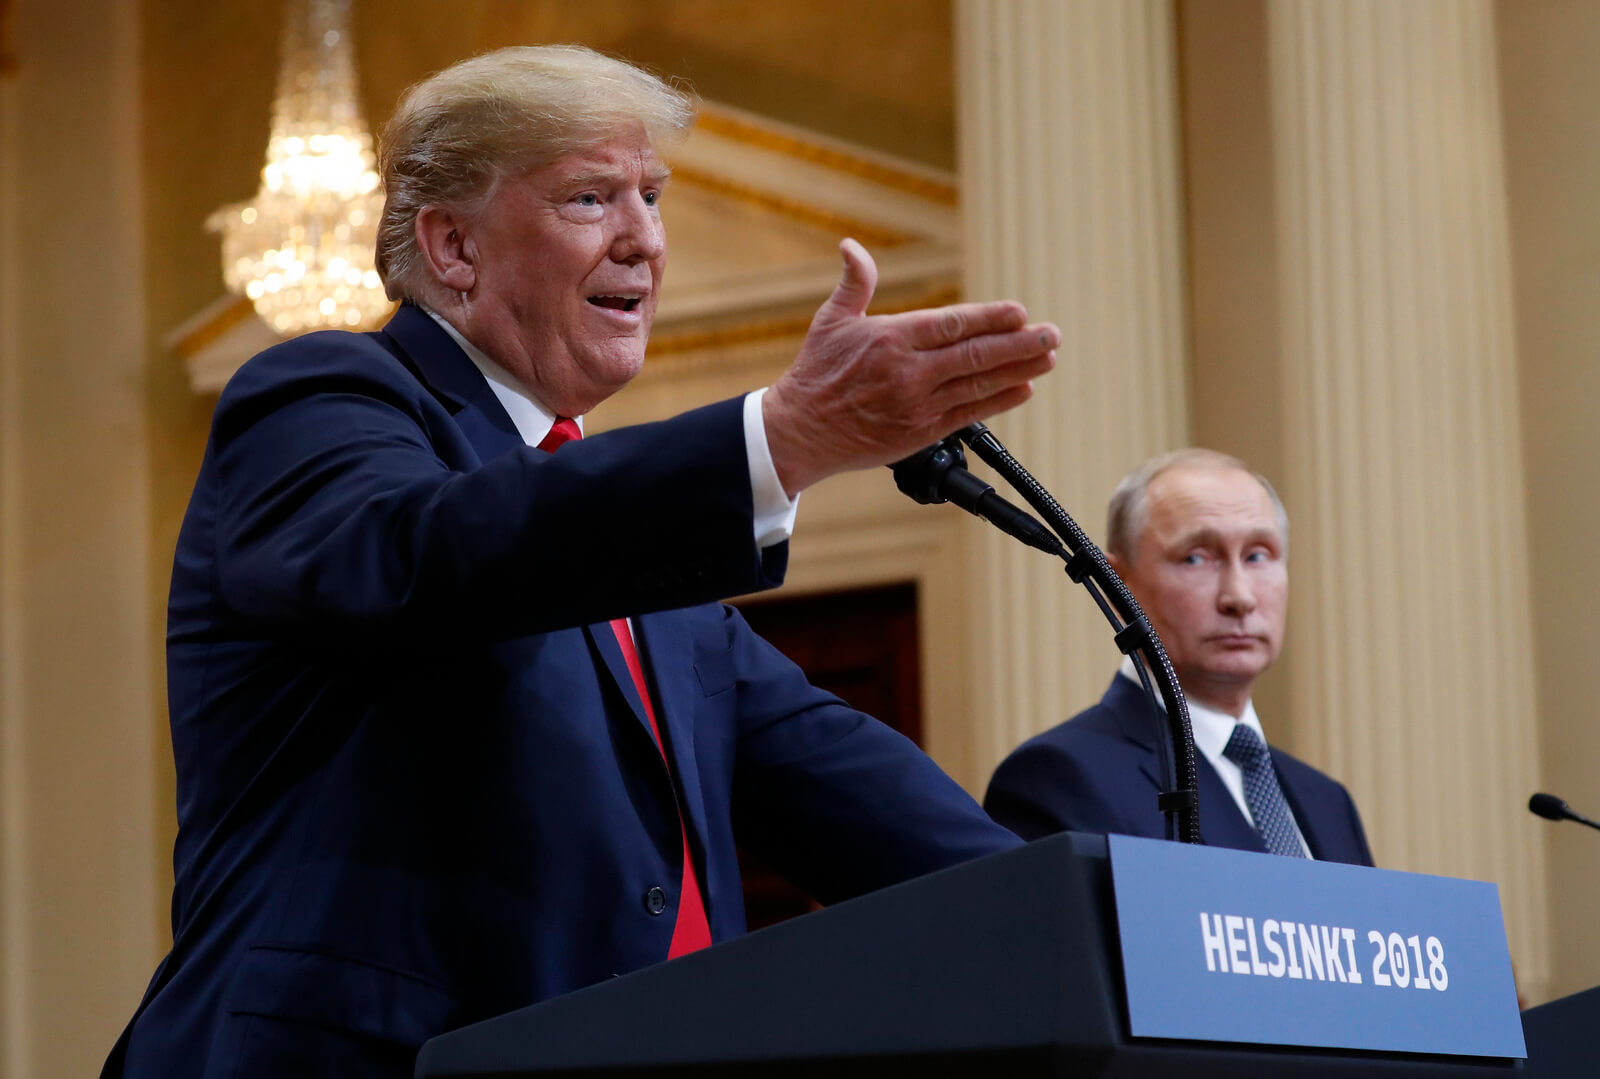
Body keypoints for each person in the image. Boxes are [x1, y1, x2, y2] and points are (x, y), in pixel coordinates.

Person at [104, 46, 1060, 1079]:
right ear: (454, 246)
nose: (645, 237)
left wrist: (1089, 925)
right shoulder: (319, 401)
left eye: (650, 195)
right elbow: (433, 550)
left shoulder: (634, 551)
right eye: (589, 197)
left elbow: (850, 784)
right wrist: (775, 440)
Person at [984, 449, 1372, 864]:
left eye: (1258, 555)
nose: (1239, 597)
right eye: (1196, 558)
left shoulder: (1328, 803)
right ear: (1118, 586)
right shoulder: (1058, 778)